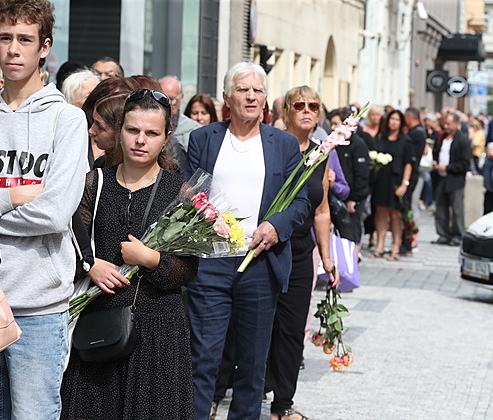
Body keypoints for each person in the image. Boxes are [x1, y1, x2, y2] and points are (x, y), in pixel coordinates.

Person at [0, 0, 88, 418]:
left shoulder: (66, 121)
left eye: (25, 40)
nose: (14, 49)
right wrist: (11, 197)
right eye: (6, 38)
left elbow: (54, 213)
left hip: (40, 304)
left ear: (44, 46)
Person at [60, 89, 198, 419]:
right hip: (100, 323)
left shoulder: (179, 191)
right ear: (120, 131)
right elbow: (69, 242)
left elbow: (189, 269)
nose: (140, 140)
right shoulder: (93, 182)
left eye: (151, 133)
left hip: (159, 330)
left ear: (166, 138)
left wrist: (149, 259)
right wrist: (89, 265)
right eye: (133, 130)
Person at [185, 61, 310, 420]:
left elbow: (301, 201)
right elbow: (191, 193)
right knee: (203, 358)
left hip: (258, 264)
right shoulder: (204, 138)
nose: (251, 96)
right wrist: (204, 212)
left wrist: (274, 225)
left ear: (266, 98)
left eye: (257, 90)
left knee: (252, 364)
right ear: (227, 96)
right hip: (210, 263)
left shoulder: (283, 144)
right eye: (242, 89)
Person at [266, 86, 338, 420]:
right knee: (255, 324)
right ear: (287, 112)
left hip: (300, 249)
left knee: (293, 330)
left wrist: (326, 258)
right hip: (267, 246)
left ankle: (283, 405)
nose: (307, 110)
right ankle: (220, 392)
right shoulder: (271, 146)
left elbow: (321, 211)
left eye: (313, 105)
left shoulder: (320, 156)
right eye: (300, 105)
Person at [369, 110, 415, 260]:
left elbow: (408, 164)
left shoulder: (405, 140)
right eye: (391, 119)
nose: (394, 122)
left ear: (401, 122)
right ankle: (380, 245)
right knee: (381, 212)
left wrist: (405, 184)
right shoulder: (381, 138)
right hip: (381, 178)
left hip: (396, 180)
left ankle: (396, 245)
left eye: (397, 119)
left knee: (395, 215)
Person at [328, 108, 370, 246]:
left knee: (351, 233)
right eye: (331, 123)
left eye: (336, 123)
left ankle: (353, 261)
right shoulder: (332, 144)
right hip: (336, 196)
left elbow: (362, 176)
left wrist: (354, 199)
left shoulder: (358, 145)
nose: (332, 127)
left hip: (352, 198)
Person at [431, 112, 471, 246]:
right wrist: (435, 163)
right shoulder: (441, 137)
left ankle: (458, 235)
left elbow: (465, 163)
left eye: (449, 124)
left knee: (456, 209)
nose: (446, 126)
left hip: (455, 178)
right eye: (445, 124)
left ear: (456, 124)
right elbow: (436, 152)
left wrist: (448, 168)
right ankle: (443, 234)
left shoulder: (462, 140)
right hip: (440, 178)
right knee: (441, 207)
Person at [403, 107, 427, 249]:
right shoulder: (418, 131)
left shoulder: (416, 133)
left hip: (413, 175)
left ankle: (413, 235)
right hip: (413, 174)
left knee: (411, 205)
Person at [159, 75, 201, 152]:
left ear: (181, 98)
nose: (167, 103)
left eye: (172, 99)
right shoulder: (146, 127)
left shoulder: (195, 130)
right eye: (163, 98)